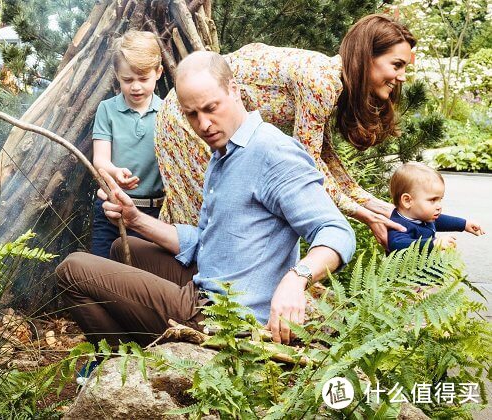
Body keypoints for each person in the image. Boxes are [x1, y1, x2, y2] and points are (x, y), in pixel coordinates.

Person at [57, 51, 355, 360]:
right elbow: (209, 241)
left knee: (72, 269)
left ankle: (127, 361)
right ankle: (145, 353)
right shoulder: (224, 153)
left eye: (211, 108)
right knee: (122, 247)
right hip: (212, 280)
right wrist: (135, 219)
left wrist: (297, 278)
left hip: (225, 317)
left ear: (235, 91)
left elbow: (336, 232)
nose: (204, 124)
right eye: (192, 114)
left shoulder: (273, 152)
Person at [155, 13, 416, 248]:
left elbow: (324, 156)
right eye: (397, 65)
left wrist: (374, 204)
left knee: (201, 213)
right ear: (367, 57)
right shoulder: (321, 81)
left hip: (199, 114)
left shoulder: (330, 80)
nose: (402, 76)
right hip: (186, 115)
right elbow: (308, 165)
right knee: (208, 218)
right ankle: (195, 295)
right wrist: (361, 213)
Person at [90, 30, 165, 257]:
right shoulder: (107, 110)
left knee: (141, 280)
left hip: (153, 214)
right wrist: (114, 172)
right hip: (111, 208)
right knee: (102, 273)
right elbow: (100, 160)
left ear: (159, 72)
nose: (136, 87)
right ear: (117, 75)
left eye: (143, 79)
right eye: (128, 79)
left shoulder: (167, 112)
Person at [387, 162, 485, 253]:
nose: (439, 206)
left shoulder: (422, 216)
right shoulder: (399, 225)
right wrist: (432, 244)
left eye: (440, 199)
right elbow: (397, 245)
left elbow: (439, 221)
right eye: (433, 200)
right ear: (407, 200)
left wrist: (464, 224)